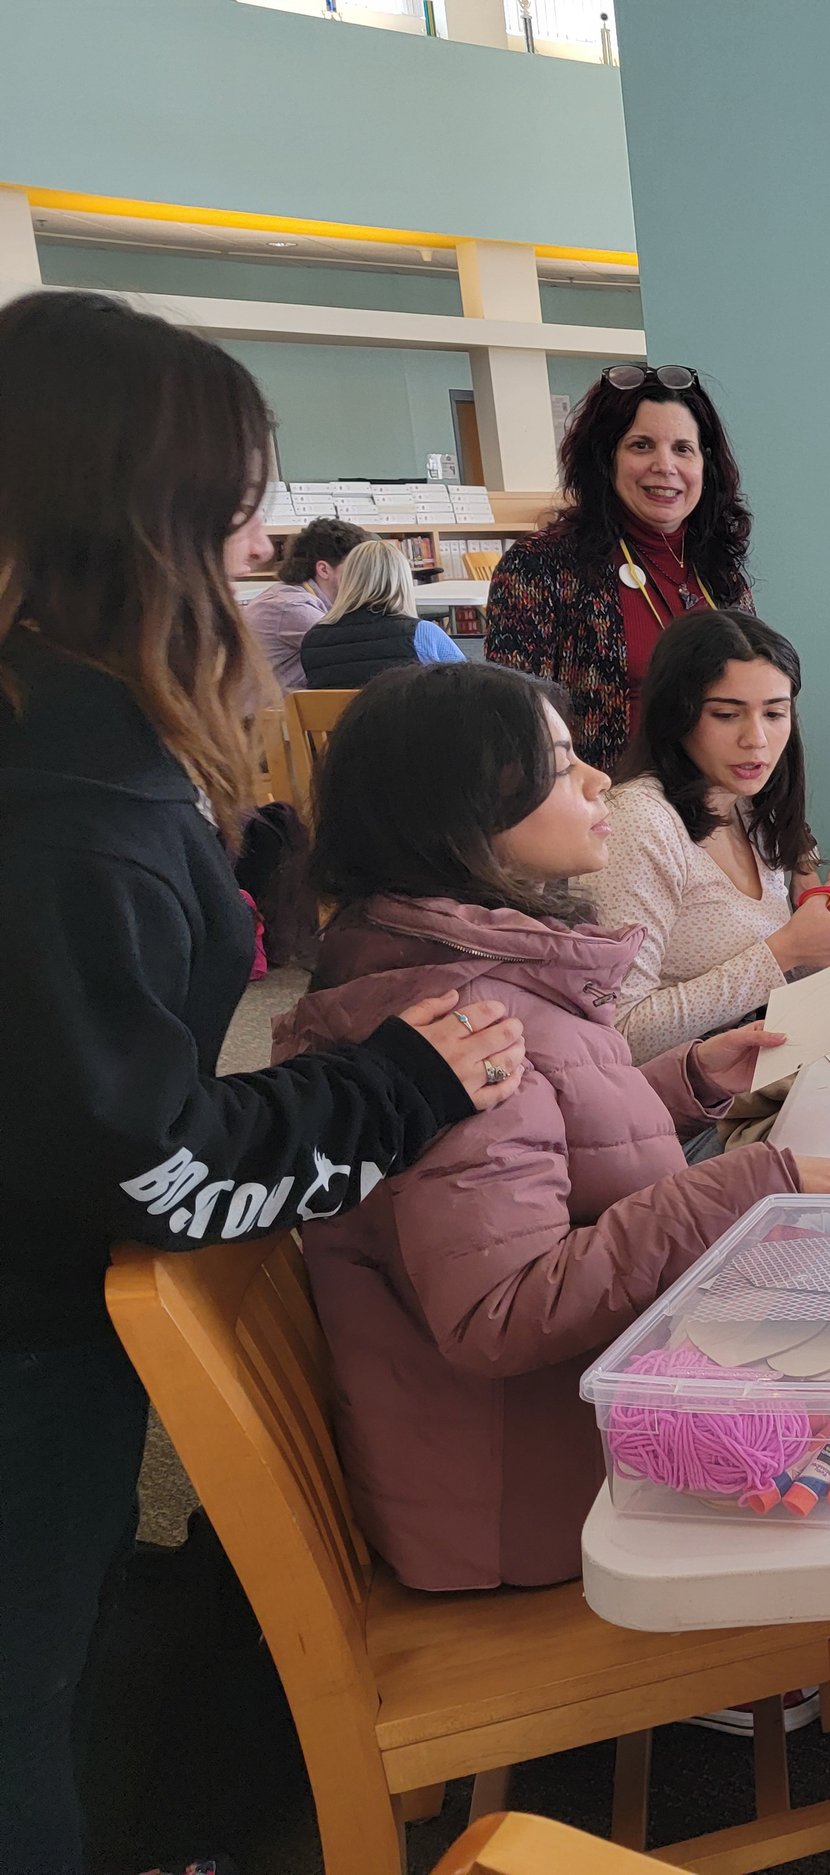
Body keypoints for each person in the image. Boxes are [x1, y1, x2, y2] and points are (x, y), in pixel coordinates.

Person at [0, 290, 525, 1874]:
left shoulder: (86, 754)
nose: (259, 538)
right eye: (234, 503)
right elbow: (143, 1154)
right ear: (138, 518)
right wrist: (399, 1084)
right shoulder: (65, 806)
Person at [274, 661, 830, 1591]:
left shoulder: (464, 962)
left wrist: (683, 1080)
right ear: (459, 812)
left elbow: (548, 1136)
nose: (595, 782)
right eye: (558, 765)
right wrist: (749, 1183)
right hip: (544, 1505)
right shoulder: (460, 1022)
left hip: (542, 1449)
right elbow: (499, 1315)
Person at [589, 609, 830, 1062]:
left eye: (774, 713)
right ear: (676, 716)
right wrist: (783, 951)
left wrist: (827, 914)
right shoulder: (637, 822)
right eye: (727, 715)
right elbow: (618, 1035)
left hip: (762, 1067)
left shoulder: (747, 806)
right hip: (682, 1096)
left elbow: (771, 987)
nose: (756, 739)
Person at [487, 364, 753, 770]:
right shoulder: (540, 567)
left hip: (719, 799)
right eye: (641, 445)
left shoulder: (719, 568)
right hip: (606, 800)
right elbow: (515, 727)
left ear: (705, 463)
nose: (665, 466)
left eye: (683, 448)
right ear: (604, 459)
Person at [298, 538, 467, 688]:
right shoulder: (422, 633)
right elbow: (467, 687)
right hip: (402, 715)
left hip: (341, 715)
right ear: (403, 581)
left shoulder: (313, 639)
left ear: (348, 580)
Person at [238, 515, 371, 693]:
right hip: (270, 709)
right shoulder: (293, 607)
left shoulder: (295, 597)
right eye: (358, 567)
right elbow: (357, 654)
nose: (367, 575)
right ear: (324, 570)